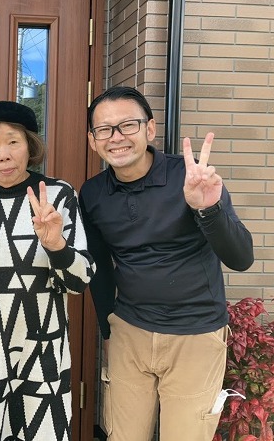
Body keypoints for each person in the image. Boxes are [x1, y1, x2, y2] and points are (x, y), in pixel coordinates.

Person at [78, 86, 254, 441]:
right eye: (104, 130)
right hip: (131, 331)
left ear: (150, 129)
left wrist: (208, 208)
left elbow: (241, 258)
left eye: (128, 125)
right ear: (93, 141)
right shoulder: (93, 193)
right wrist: (109, 329)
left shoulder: (190, 177)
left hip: (195, 333)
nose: (117, 138)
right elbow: (99, 267)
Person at [0, 101, 95, 440]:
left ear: (30, 146)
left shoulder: (58, 195)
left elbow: (80, 281)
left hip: (43, 352)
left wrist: (56, 245)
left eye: (13, 142)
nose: (3, 155)